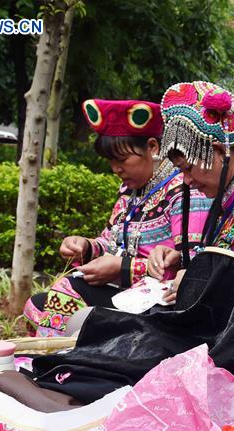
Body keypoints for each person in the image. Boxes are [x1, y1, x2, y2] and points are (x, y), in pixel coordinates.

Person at [24, 99, 187, 336]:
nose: (115, 169)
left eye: (122, 159)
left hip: (160, 301)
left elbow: (188, 263)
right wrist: (85, 247)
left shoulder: (181, 190)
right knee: (35, 306)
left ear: (152, 147)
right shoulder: (129, 192)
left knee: (66, 292)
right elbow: (110, 241)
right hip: (126, 291)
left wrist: (122, 268)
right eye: (111, 161)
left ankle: (57, 359)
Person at [145, 81, 234, 300]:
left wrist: (198, 283)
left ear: (220, 152)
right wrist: (181, 262)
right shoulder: (232, 200)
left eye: (189, 168)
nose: (186, 181)